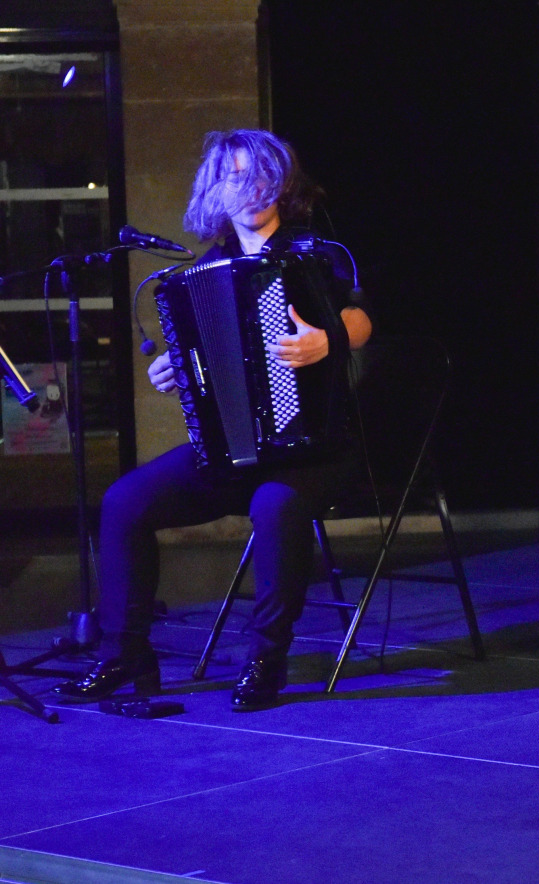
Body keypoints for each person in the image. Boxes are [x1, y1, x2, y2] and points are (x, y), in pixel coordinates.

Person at [54, 129, 372, 712]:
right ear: (215, 190)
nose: (248, 188)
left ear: (280, 183)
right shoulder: (209, 267)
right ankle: (123, 654)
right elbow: (201, 361)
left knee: (275, 505)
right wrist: (174, 371)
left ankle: (267, 659)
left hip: (316, 449)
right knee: (124, 502)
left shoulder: (314, 252)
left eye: (259, 175)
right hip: (233, 452)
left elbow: (361, 321)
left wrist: (327, 339)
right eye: (233, 177)